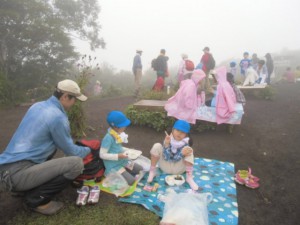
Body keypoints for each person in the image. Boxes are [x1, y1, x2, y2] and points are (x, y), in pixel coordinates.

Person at [0, 79, 90, 215]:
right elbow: (72, 151)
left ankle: (25, 189)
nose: (74, 103)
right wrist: (89, 148)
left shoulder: (37, 106)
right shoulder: (58, 117)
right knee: (76, 164)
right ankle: (37, 200)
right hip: (17, 175)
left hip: (5, 168)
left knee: (50, 146)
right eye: (74, 99)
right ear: (65, 96)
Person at [147, 120, 199, 191]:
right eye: (177, 130)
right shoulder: (168, 139)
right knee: (157, 146)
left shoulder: (185, 143)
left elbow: (175, 159)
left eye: (182, 132)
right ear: (173, 130)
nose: (179, 133)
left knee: (189, 150)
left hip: (178, 169)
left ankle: (189, 177)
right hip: (165, 166)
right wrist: (166, 144)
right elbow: (167, 157)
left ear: (186, 135)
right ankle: (152, 171)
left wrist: (182, 153)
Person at [100, 111, 143, 186]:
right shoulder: (108, 138)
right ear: (116, 127)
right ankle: (113, 174)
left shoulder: (116, 133)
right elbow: (102, 155)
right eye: (124, 126)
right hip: (114, 166)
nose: (125, 127)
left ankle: (125, 172)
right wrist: (118, 156)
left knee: (140, 169)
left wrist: (127, 150)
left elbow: (117, 147)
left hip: (123, 161)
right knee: (131, 181)